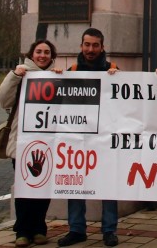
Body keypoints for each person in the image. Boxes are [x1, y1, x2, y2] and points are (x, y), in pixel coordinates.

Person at [0, 39, 62, 247]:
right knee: (25, 187)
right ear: (31, 54)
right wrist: (14, 76)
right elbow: (3, 101)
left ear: (52, 56)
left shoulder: (57, 75)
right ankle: (22, 231)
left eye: (47, 52)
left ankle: (39, 228)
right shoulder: (20, 74)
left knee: (43, 188)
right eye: (39, 51)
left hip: (48, 142)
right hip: (23, 141)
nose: (42, 55)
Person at [58, 28, 120, 247]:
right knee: (75, 182)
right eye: (87, 45)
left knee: (108, 184)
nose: (91, 49)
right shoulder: (72, 70)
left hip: (104, 138)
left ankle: (109, 230)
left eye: (95, 45)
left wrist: (118, 79)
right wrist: (55, 78)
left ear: (102, 47)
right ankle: (76, 229)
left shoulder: (113, 69)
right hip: (78, 138)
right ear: (81, 46)